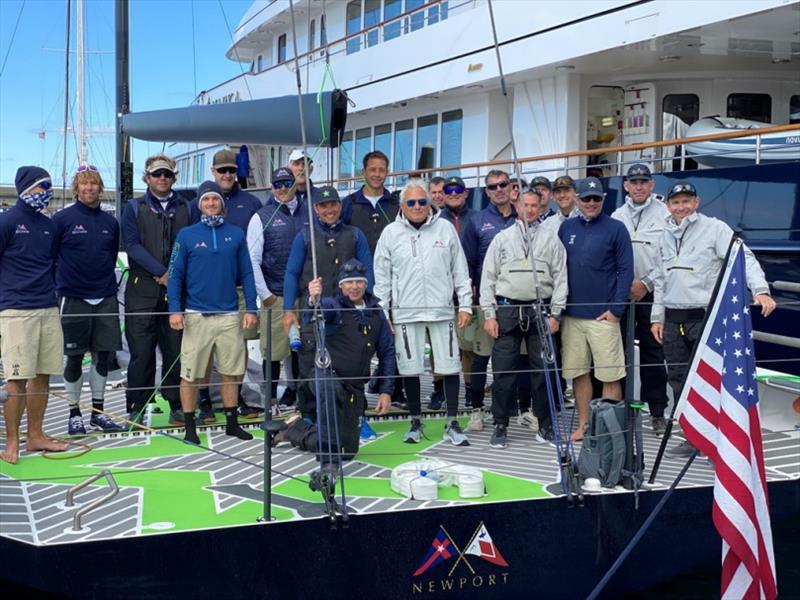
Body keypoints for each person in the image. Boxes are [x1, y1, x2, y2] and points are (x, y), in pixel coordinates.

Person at [650, 181, 776, 456]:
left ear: (696, 203)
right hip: (672, 319)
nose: (681, 207)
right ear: (668, 206)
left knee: (712, 380)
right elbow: (660, 279)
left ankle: (720, 442)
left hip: (704, 320)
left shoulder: (715, 229)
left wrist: (761, 290)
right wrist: (656, 317)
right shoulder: (663, 235)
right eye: (676, 202)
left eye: (686, 201)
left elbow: (743, 258)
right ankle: (692, 436)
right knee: (678, 380)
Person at [373, 178, 473, 446]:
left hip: (442, 310)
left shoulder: (445, 229)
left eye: (422, 201)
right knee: (410, 368)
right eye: (411, 202)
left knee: (450, 366)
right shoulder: (390, 233)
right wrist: (383, 314)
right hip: (407, 312)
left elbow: (460, 271)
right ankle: (415, 421)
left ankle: (452, 422)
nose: (417, 207)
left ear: (429, 202)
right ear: (402, 205)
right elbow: (381, 279)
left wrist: (464, 304)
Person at [274, 259, 394, 462]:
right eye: (349, 282)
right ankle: (327, 464)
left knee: (345, 451)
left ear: (366, 284)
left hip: (354, 387)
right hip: (326, 377)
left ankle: (295, 429)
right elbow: (323, 309)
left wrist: (386, 391)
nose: (354, 287)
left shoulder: (376, 313)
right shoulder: (334, 305)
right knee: (330, 434)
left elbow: (388, 352)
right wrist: (314, 299)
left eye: (359, 282)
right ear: (341, 286)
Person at [167, 181, 258, 444]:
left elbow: (247, 274)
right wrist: (175, 310)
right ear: (199, 204)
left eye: (215, 200)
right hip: (196, 316)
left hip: (230, 315)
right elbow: (176, 276)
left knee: (232, 372)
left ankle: (231, 423)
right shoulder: (186, 235)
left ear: (222, 203)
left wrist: (250, 308)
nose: (210, 204)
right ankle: (189, 427)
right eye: (206, 200)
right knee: (191, 374)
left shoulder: (236, 234)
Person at [480, 188, 567, 448]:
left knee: (543, 370)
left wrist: (556, 313)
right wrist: (489, 314)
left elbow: (561, 278)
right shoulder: (501, 239)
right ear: (517, 206)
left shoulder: (552, 239)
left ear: (541, 207)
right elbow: (488, 278)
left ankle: (545, 424)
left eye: (534, 206)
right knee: (503, 370)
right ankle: (501, 423)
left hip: (540, 310)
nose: (529, 210)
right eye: (525, 205)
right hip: (507, 310)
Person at [282, 185, 373, 418]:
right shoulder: (304, 236)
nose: (329, 209)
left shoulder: (355, 235)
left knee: (352, 364)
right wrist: (288, 310)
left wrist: (368, 305)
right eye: (324, 205)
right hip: (313, 309)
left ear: (340, 206)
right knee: (309, 365)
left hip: (348, 311)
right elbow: (292, 273)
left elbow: (368, 273)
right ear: (316, 208)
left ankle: (356, 416)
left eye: (333, 204)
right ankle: (310, 416)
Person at [0, 166, 69, 463]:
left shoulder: (49, 226)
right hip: (15, 309)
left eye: (49, 186)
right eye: (43, 187)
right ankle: (12, 442)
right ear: (26, 189)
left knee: (43, 376)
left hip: (47, 307)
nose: (47, 192)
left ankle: (36, 436)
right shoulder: (7, 222)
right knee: (17, 378)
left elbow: (52, 263)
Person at [558, 177, 634, 441]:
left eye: (596, 198)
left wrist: (616, 310)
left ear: (603, 200)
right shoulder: (566, 228)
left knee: (610, 375)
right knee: (578, 374)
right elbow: (557, 269)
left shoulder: (616, 228)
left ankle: (609, 433)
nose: (591, 203)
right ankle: (585, 426)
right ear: (577, 200)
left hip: (604, 317)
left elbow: (626, 271)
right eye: (586, 198)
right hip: (571, 316)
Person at [121, 154, 193, 425]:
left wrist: (173, 276)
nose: (162, 178)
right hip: (142, 289)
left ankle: (175, 402)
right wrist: (160, 272)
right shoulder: (134, 207)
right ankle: (138, 403)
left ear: (174, 177)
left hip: (176, 290)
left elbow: (190, 244)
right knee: (141, 350)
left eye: (166, 174)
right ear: (147, 178)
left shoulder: (186, 206)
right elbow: (132, 245)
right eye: (156, 174)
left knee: (175, 349)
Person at [53, 165, 124, 435]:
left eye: (94, 183)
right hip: (73, 297)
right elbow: (51, 257)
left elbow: (110, 255)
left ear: (100, 187)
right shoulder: (62, 219)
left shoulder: (110, 223)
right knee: (72, 358)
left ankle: (98, 413)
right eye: (84, 184)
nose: (89, 188)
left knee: (103, 357)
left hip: (104, 296)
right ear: (76, 188)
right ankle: (74, 414)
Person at [195, 149, 264, 421]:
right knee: (207, 348)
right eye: (222, 170)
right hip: (208, 290)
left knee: (240, 347)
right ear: (213, 171)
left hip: (240, 287)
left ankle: (237, 398)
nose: (227, 175)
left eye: (231, 170)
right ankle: (205, 402)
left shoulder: (251, 203)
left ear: (237, 172)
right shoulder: (198, 203)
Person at [610, 164, 670, 435]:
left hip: (651, 293)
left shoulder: (665, 214)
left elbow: (669, 256)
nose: (638, 186)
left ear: (652, 185)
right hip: (621, 294)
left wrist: (645, 283)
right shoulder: (617, 215)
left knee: (652, 352)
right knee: (617, 351)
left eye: (643, 181)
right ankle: (619, 407)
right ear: (625, 186)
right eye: (633, 182)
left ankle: (657, 411)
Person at [247, 167, 309, 410]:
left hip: (304, 296)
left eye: (287, 183)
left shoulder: (309, 212)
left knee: (302, 349)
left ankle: (299, 395)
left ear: (296, 184)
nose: (283, 188)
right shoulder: (261, 216)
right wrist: (267, 296)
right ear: (272, 187)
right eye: (278, 184)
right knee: (273, 352)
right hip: (276, 295)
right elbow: (252, 260)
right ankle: (271, 399)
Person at [460, 169, 517, 430]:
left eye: (503, 184)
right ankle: (475, 408)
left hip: (516, 299)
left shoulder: (522, 217)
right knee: (481, 357)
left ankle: (514, 408)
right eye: (493, 187)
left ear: (510, 186)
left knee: (515, 357)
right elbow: (469, 263)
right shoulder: (477, 221)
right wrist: (471, 299)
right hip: (487, 299)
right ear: (486, 191)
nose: (498, 190)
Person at [341, 150, 398, 254]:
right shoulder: (348, 203)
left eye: (381, 170)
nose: (377, 174)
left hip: (390, 268)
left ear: (387, 173)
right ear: (364, 172)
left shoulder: (396, 204)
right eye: (372, 169)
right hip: (358, 268)